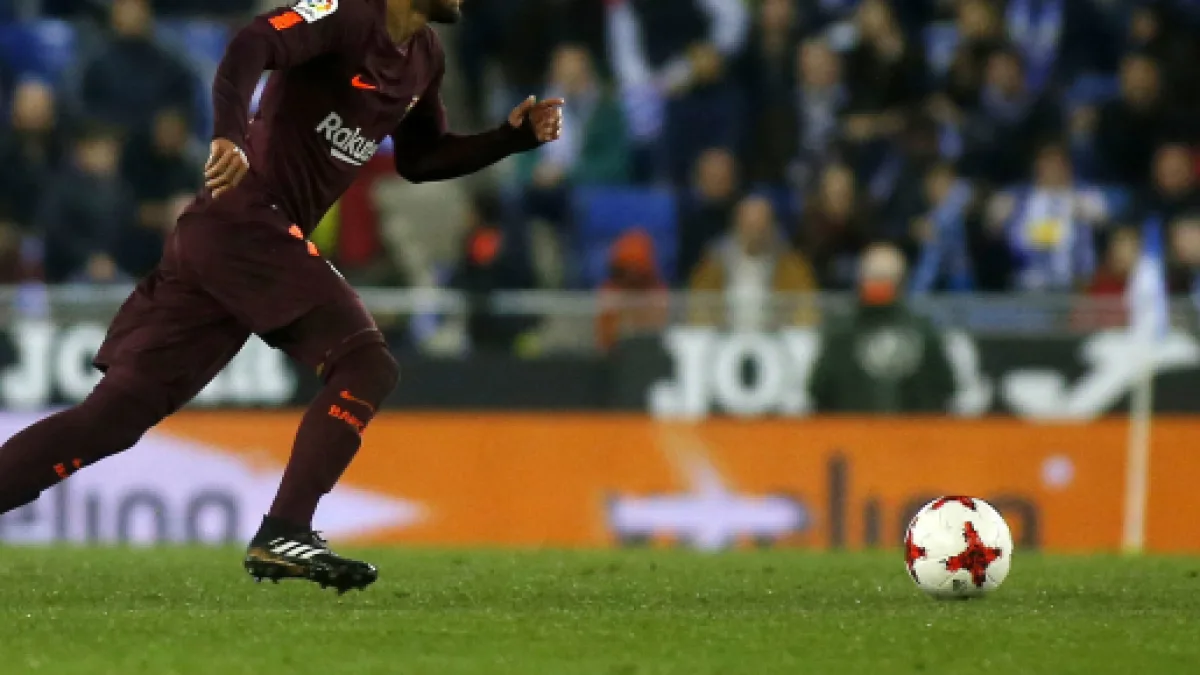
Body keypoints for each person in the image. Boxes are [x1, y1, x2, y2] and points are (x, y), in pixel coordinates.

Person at [0, 0, 563, 593]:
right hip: (246, 220)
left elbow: (421, 158)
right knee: (365, 364)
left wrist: (510, 139)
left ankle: (284, 530)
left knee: (111, 420)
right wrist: (228, 133)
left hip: (233, 241)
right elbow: (252, 43)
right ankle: (286, 529)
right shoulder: (345, 15)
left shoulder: (424, 56)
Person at [808, 242, 955, 414]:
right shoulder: (923, 329)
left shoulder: (840, 329)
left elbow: (818, 390)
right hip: (909, 430)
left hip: (856, 429)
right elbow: (944, 389)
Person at [688, 195, 817, 331]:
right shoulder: (714, 264)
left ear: (772, 227)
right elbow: (698, 310)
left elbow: (806, 312)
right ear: (737, 226)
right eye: (750, 226)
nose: (755, 234)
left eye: (761, 227)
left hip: (775, 337)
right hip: (724, 337)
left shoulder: (791, 266)